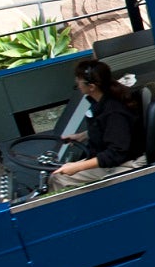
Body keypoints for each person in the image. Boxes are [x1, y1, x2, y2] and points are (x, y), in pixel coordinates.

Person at [48, 60, 146, 191]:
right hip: (111, 158)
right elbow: (108, 130)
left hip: (124, 162)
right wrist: (82, 136)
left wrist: (77, 167)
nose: (76, 81)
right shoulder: (101, 103)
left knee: (59, 178)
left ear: (92, 87)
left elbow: (115, 153)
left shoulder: (114, 111)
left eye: (79, 79)